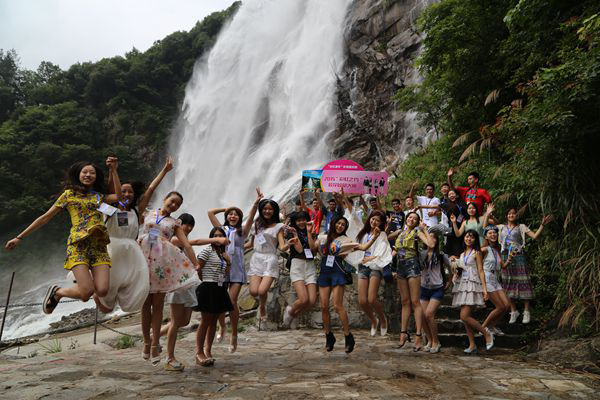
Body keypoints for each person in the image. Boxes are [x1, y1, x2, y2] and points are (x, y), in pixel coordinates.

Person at [5, 158, 122, 314]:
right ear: (78, 175)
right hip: (78, 246)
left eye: (92, 173)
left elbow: (118, 197)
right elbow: (45, 217)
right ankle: (58, 292)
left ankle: (73, 288)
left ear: (96, 177)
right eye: (85, 172)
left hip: (99, 246)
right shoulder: (69, 195)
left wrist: (113, 170)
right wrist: (20, 237)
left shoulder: (98, 197)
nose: (88, 175)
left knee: (102, 290)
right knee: (86, 293)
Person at [93, 157, 175, 314]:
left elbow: (151, 189)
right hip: (111, 252)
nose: (126, 194)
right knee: (105, 307)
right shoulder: (110, 209)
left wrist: (165, 170)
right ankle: (94, 291)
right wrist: (113, 170)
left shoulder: (136, 210)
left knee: (126, 295)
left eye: (129, 191)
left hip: (131, 254)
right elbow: (112, 191)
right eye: (123, 191)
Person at [138, 190, 200, 366]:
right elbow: (144, 194)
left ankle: (156, 344)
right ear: (165, 199)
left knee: (157, 306)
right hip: (143, 259)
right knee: (145, 305)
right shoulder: (148, 213)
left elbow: (187, 244)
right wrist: (164, 172)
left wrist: (195, 263)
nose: (173, 205)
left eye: (177, 205)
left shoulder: (174, 223)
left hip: (161, 264)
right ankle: (147, 342)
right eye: (172, 201)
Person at [160, 213, 229, 371]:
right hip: (176, 285)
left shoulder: (184, 246)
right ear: (178, 225)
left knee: (183, 322)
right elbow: (196, 243)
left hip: (187, 285)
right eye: (186, 225)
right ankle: (169, 357)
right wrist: (216, 240)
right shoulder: (175, 239)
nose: (189, 228)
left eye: (191, 225)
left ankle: (154, 337)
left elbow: (193, 262)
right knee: (176, 322)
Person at [311, 216, 380, 353]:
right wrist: (309, 232)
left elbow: (363, 247)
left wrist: (374, 237)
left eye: (343, 224)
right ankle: (329, 336)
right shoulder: (323, 237)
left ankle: (348, 336)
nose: (340, 226)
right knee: (324, 306)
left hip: (337, 271)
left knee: (337, 306)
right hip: (324, 271)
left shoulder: (346, 241)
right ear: (334, 223)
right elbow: (313, 249)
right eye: (338, 223)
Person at [208, 192, 261, 353]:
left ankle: (234, 335)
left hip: (237, 269)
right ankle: (222, 326)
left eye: (236, 214)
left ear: (239, 218)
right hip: (221, 269)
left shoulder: (242, 232)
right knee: (219, 302)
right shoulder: (221, 230)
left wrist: (255, 203)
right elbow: (210, 212)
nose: (233, 216)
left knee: (230, 302)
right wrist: (228, 208)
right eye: (230, 214)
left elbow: (251, 218)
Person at [497, 209, 553, 324]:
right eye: (509, 213)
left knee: (523, 281)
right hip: (505, 257)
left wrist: (542, 225)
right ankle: (513, 311)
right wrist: (487, 214)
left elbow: (535, 236)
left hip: (518, 257)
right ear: (506, 216)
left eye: (513, 213)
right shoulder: (500, 227)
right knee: (507, 282)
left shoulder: (521, 227)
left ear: (516, 215)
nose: (511, 215)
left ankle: (526, 311)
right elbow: (485, 228)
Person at [392, 211, 435, 351]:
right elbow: (385, 238)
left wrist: (425, 229)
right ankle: (403, 334)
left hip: (412, 265)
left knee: (415, 302)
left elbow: (430, 244)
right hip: (400, 266)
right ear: (406, 219)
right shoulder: (400, 233)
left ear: (417, 222)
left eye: (414, 219)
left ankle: (418, 336)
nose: (411, 219)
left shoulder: (417, 232)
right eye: (410, 217)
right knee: (405, 302)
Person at [194, 227, 234, 367]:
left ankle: (208, 351)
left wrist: (228, 262)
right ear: (211, 237)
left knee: (213, 322)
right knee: (205, 321)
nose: (218, 238)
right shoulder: (206, 251)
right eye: (215, 235)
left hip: (219, 288)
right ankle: (199, 353)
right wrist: (204, 281)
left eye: (220, 235)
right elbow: (198, 268)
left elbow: (226, 273)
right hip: (208, 287)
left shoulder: (223, 253)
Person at [451, 230, 494, 353]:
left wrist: (484, 289)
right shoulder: (463, 254)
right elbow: (460, 268)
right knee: (466, 317)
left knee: (464, 316)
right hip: (463, 284)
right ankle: (472, 344)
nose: (469, 239)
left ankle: (486, 334)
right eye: (467, 236)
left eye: (472, 237)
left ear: (475, 240)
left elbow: (481, 270)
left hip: (472, 284)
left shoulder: (477, 253)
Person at [248, 195, 287, 325]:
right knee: (254, 291)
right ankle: (261, 304)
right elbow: (250, 244)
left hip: (270, 259)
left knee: (262, 291)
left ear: (274, 211)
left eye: (270, 209)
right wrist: (233, 247)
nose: (267, 211)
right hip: (256, 258)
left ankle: (263, 307)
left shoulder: (279, 226)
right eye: (265, 209)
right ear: (261, 210)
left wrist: (290, 244)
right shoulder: (257, 225)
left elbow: (282, 246)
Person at [355, 211, 392, 337]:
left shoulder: (381, 234)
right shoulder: (363, 233)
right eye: (372, 219)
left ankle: (382, 319)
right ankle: (373, 320)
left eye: (377, 220)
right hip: (362, 266)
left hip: (375, 267)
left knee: (371, 299)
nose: (374, 221)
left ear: (381, 223)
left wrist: (370, 259)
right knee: (362, 301)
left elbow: (382, 251)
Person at [282, 211, 318, 329]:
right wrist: (297, 234)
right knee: (303, 299)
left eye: (303, 219)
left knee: (311, 301)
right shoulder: (292, 233)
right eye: (298, 220)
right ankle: (290, 311)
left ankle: (293, 314)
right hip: (297, 264)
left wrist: (308, 232)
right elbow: (300, 250)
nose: (301, 222)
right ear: (295, 222)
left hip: (310, 265)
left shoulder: (312, 231)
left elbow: (313, 249)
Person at [419, 234, 450, 353]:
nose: (431, 239)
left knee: (429, 314)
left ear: (437, 241)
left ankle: (436, 341)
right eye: (429, 237)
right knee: (421, 316)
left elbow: (450, 267)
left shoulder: (441, 255)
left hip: (437, 288)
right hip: (424, 287)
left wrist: (450, 281)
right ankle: (430, 340)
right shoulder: (421, 254)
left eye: (434, 237)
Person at [480, 225, 512, 335]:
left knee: (507, 306)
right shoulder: (484, 249)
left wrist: (509, 259)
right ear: (486, 237)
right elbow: (475, 260)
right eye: (490, 233)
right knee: (500, 306)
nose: (493, 234)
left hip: (495, 278)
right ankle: (483, 328)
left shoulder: (497, 250)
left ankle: (492, 326)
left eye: (494, 233)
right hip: (487, 277)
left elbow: (503, 266)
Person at [440, 189, 468, 257]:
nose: (451, 195)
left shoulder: (463, 204)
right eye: (449, 194)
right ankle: (451, 265)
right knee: (451, 249)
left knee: (460, 248)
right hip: (451, 228)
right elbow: (437, 207)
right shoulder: (446, 205)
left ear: (457, 195)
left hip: (461, 227)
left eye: (453, 194)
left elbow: (467, 215)